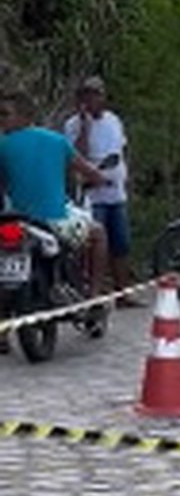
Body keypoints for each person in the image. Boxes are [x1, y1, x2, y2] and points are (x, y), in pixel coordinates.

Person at [0, 89, 110, 354]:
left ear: (24, 115)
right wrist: (101, 179)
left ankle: (3, 333)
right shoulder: (56, 141)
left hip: (14, 220)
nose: (1, 119)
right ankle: (94, 296)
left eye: (4, 114)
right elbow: (88, 171)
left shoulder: (2, 145)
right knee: (99, 234)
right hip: (55, 219)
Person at [64, 76, 143, 308]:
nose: (92, 100)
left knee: (121, 243)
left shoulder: (113, 121)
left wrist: (126, 176)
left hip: (115, 192)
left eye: (96, 94)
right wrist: (85, 127)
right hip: (91, 195)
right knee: (93, 244)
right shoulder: (73, 125)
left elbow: (120, 150)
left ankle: (123, 293)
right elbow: (75, 156)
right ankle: (92, 292)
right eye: (87, 95)